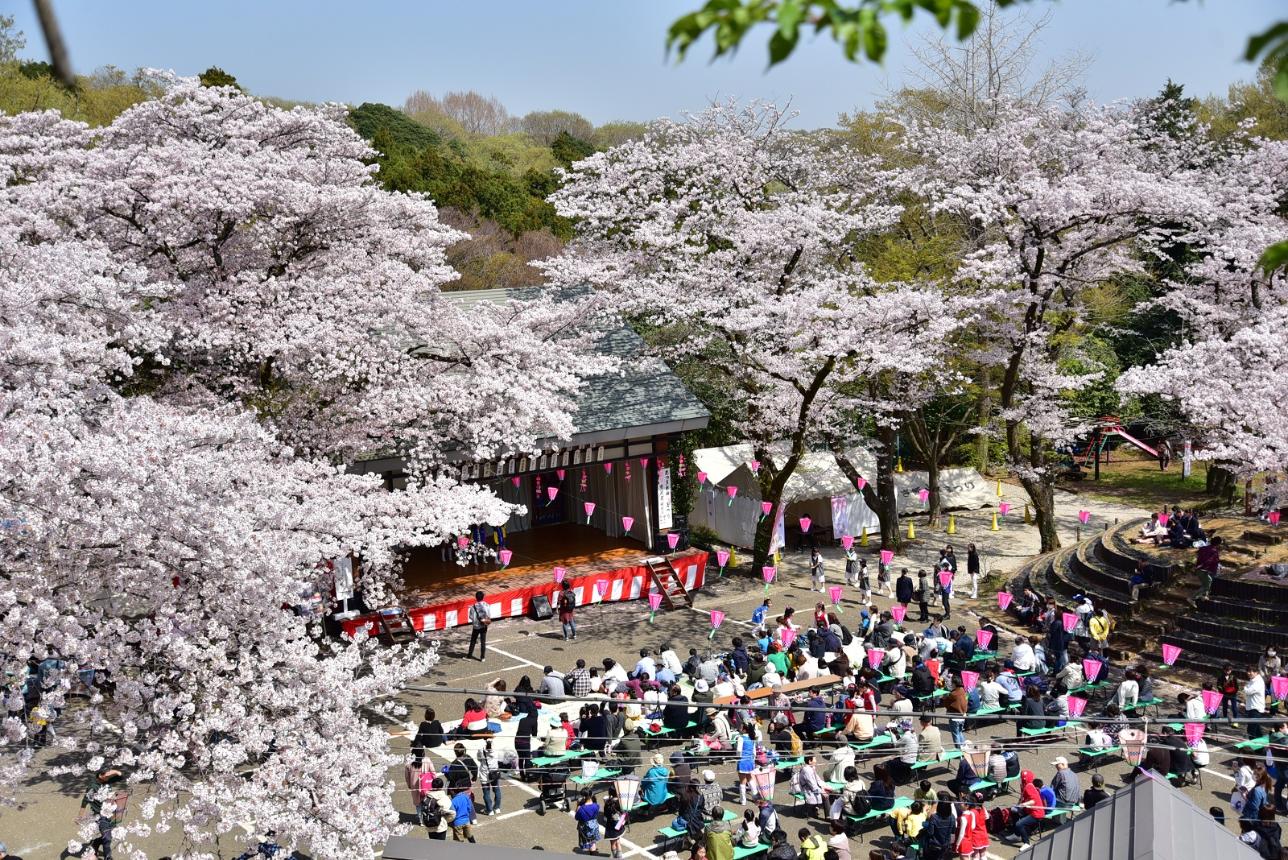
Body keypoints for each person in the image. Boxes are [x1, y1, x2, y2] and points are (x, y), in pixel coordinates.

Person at [81, 768, 125, 860]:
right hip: (100, 814)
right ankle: (108, 857)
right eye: (107, 774)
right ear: (100, 776)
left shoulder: (106, 781)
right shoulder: (92, 786)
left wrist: (115, 771)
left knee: (112, 833)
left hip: (111, 812)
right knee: (107, 837)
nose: (109, 776)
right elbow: (85, 800)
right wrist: (80, 815)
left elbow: (121, 777)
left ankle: (96, 842)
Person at [1011, 770, 1046, 849]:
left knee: (1019, 824)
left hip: (1036, 813)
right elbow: (1022, 797)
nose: (1021, 779)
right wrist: (1017, 805)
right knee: (1013, 811)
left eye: (1022, 778)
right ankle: (1016, 834)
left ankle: (1026, 842)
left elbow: (1033, 800)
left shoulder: (1028, 787)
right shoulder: (1025, 786)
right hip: (1029, 810)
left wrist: (1024, 805)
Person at [955, 793, 990, 860]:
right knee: (983, 853)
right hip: (983, 833)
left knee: (975, 854)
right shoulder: (983, 808)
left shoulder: (972, 812)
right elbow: (987, 817)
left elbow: (972, 826)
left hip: (975, 835)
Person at [575, 790, 602, 854]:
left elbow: (576, 817)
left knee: (589, 843)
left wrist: (577, 805)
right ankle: (593, 851)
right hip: (594, 826)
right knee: (593, 842)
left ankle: (593, 853)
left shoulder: (581, 809)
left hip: (585, 828)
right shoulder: (596, 806)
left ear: (584, 797)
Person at [467, 591, 491, 660]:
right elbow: (489, 615)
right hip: (484, 625)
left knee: (473, 641)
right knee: (483, 641)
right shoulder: (487, 605)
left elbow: (471, 617)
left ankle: (469, 656)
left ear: (476, 598)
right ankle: (482, 657)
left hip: (476, 626)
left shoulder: (473, 607)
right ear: (483, 597)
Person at [603, 789, 627, 859]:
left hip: (611, 825)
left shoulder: (608, 802)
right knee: (618, 841)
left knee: (613, 843)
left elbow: (606, 814)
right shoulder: (620, 801)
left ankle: (615, 857)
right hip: (619, 824)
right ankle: (620, 857)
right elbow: (624, 811)